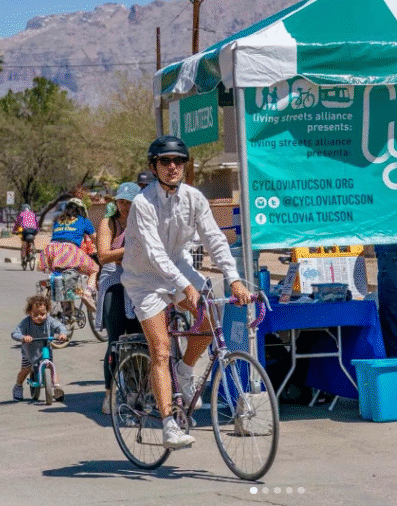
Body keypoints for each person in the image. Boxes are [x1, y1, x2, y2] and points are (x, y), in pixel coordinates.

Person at [121, 136, 252, 450]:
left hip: (179, 268)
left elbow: (214, 239)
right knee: (161, 349)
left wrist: (234, 278)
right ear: (154, 166)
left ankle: (186, 369)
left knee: (211, 316)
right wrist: (185, 286)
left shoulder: (194, 198)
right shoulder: (143, 203)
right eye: (165, 161)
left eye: (178, 161)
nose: (172, 166)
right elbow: (155, 254)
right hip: (144, 279)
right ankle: (169, 424)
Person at [95, 181, 142, 414]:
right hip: (114, 280)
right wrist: (132, 248)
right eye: (122, 202)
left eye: (130, 202)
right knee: (115, 342)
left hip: (138, 281)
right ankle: (109, 393)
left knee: (139, 340)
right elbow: (104, 256)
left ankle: (135, 390)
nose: (125, 206)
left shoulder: (144, 223)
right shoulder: (109, 223)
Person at [38, 198, 99, 303]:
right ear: (81, 210)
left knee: (60, 273)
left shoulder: (58, 220)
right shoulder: (84, 220)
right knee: (95, 269)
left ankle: (65, 306)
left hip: (51, 250)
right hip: (69, 250)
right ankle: (87, 293)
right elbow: (96, 239)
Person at [11, 293, 67, 401]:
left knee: (51, 368)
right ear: (30, 312)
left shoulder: (50, 321)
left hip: (45, 351)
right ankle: (18, 386)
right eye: (35, 314)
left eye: (42, 314)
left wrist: (62, 334)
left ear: (47, 311)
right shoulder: (26, 323)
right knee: (25, 370)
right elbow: (15, 333)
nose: (39, 317)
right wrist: (23, 337)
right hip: (29, 353)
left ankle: (56, 387)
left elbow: (60, 326)